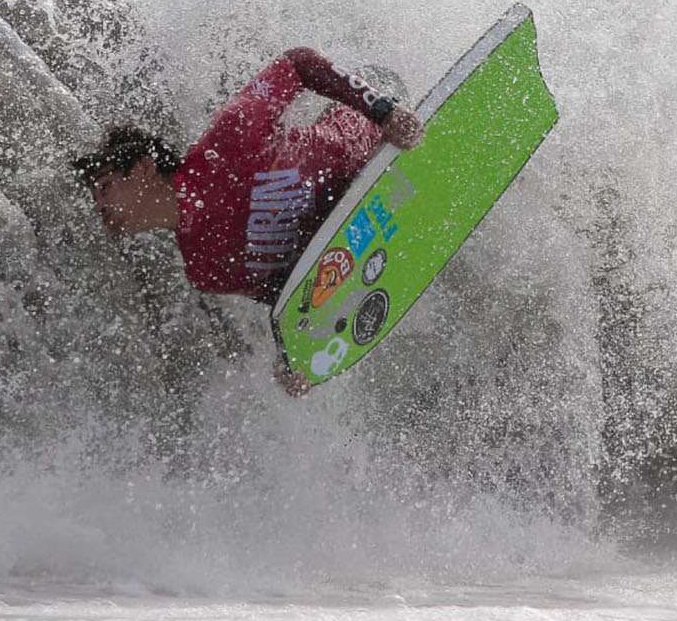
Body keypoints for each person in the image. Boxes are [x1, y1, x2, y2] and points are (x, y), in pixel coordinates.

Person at [71, 48, 424, 395]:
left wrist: (383, 109)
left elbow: (298, 63)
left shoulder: (229, 139)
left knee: (385, 85)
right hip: (352, 237)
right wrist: (294, 356)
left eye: (105, 186)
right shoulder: (204, 268)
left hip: (376, 141)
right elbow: (289, 295)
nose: (99, 203)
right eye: (94, 196)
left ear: (144, 169)